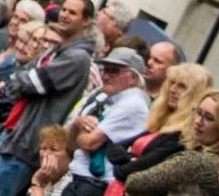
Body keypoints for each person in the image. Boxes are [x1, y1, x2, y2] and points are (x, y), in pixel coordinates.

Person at [0, 0, 100, 196]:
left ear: (85, 21)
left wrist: (17, 81)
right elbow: (23, 74)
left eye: (73, 12)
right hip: (12, 135)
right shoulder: (59, 50)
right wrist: (20, 79)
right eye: (64, 9)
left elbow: (31, 82)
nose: (64, 15)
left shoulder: (77, 57)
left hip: (27, 145)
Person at [60, 47, 167, 194]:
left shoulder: (132, 104)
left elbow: (89, 143)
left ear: (132, 77)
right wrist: (78, 124)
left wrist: (78, 129)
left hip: (92, 186)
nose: (105, 76)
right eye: (104, 70)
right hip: (81, 182)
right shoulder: (112, 100)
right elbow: (71, 146)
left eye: (113, 71)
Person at [101, 62, 214, 192]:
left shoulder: (183, 136)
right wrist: (130, 158)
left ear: (195, 94)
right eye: (172, 83)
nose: (172, 89)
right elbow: (114, 148)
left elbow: (126, 172)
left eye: (182, 86)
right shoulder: (161, 123)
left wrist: (125, 161)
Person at [116, 87, 219, 194]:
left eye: (208, 118)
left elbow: (133, 182)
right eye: (198, 112)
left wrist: (127, 161)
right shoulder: (210, 159)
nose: (198, 121)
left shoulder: (197, 161)